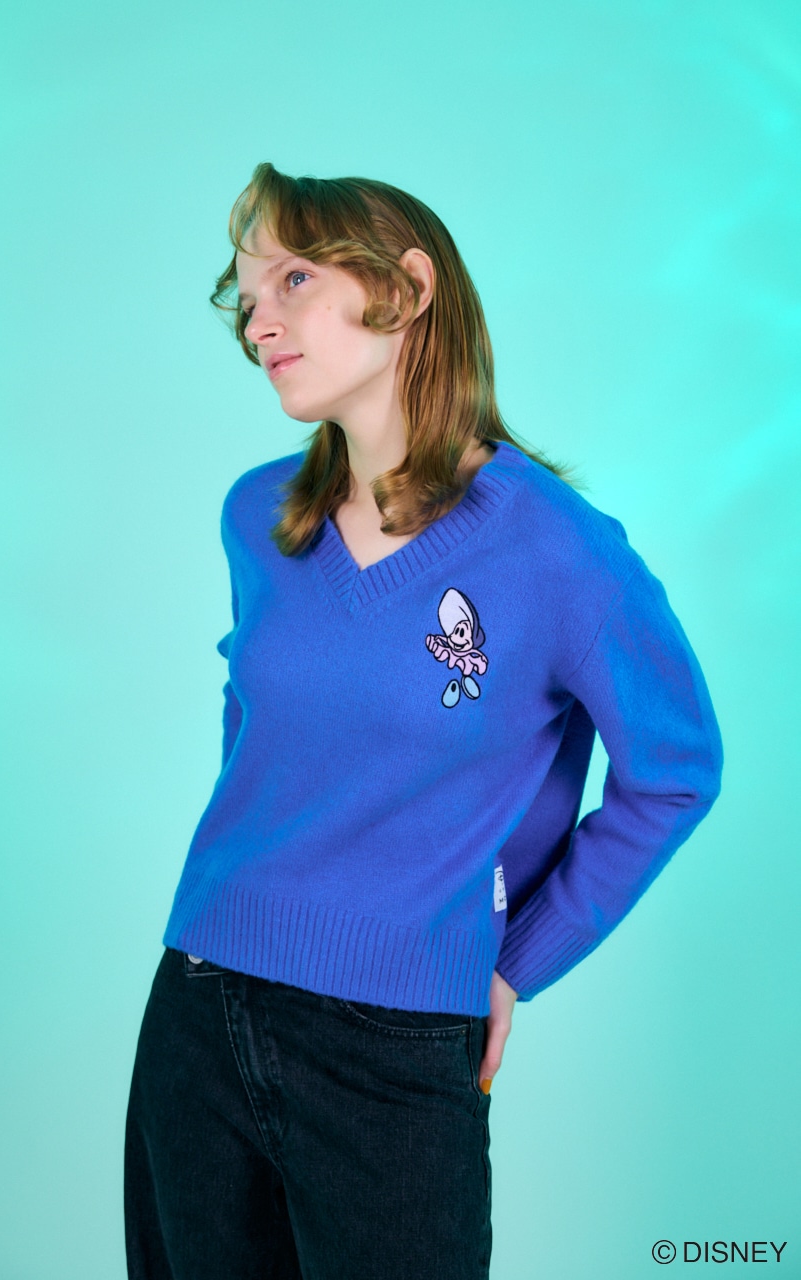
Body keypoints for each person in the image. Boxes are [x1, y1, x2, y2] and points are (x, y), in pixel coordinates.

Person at [123, 162, 723, 1280]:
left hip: (394, 1047)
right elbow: (256, 738)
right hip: (198, 1010)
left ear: (406, 286)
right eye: (245, 297)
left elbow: (675, 772)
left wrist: (513, 963)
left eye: (293, 279)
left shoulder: (559, 550)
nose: (258, 321)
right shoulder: (258, 515)